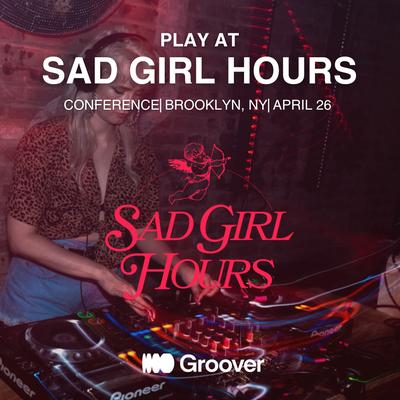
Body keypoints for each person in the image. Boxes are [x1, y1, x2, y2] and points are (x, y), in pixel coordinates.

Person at [0, 32, 219, 327]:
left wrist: (181, 268)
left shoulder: (137, 150)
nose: (128, 103)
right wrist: (101, 274)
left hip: (104, 284)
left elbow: (138, 226)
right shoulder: (45, 140)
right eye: (119, 91)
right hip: (42, 287)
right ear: (92, 80)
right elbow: (21, 239)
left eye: (137, 95)